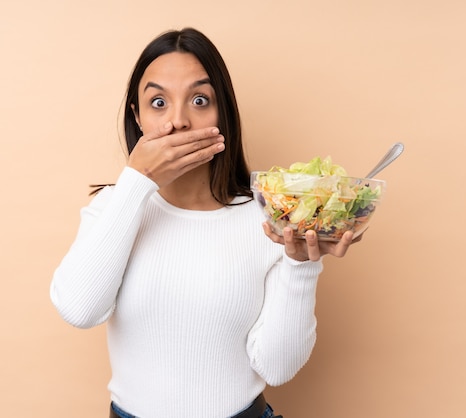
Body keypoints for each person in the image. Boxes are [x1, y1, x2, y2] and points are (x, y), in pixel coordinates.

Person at [50, 27, 361, 418]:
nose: (178, 121)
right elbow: (80, 310)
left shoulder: (268, 217)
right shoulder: (113, 209)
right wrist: (136, 183)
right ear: (138, 116)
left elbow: (277, 369)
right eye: (158, 102)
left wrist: (302, 264)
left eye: (199, 99)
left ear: (223, 113)